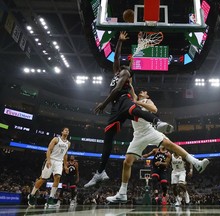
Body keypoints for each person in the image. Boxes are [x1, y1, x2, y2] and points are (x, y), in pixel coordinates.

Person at [84, 31, 174, 188]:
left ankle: (157, 121)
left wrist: (103, 104)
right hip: (115, 108)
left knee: (133, 109)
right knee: (108, 137)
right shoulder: (118, 72)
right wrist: (119, 41)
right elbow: (116, 58)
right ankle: (100, 172)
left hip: (123, 99)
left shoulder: (125, 74)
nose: (122, 67)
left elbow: (118, 89)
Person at [105, 88, 209, 203]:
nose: (143, 91)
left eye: (145, 91)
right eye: (141, 91)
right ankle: (122, 193)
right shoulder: (133, 99)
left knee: (170, 145)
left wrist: (137, 103)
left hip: (150, 131)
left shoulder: (147, 101)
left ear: (147, 96)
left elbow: (154, 109)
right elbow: (130, 85)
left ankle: (197, 163)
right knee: (127, 162)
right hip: (138, 136)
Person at [27, 127, 71, 207]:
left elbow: (65, 154)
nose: (67, 131)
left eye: (68, 131)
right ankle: (32, 194)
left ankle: (51, 197)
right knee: (43, 179)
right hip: (51, 159)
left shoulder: (68, 143)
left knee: (57, 177)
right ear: (62, 132)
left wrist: (65, 166)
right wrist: (48, 160)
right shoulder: (56, 139)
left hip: (59, 162)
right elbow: (49, 150)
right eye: (65, 130)